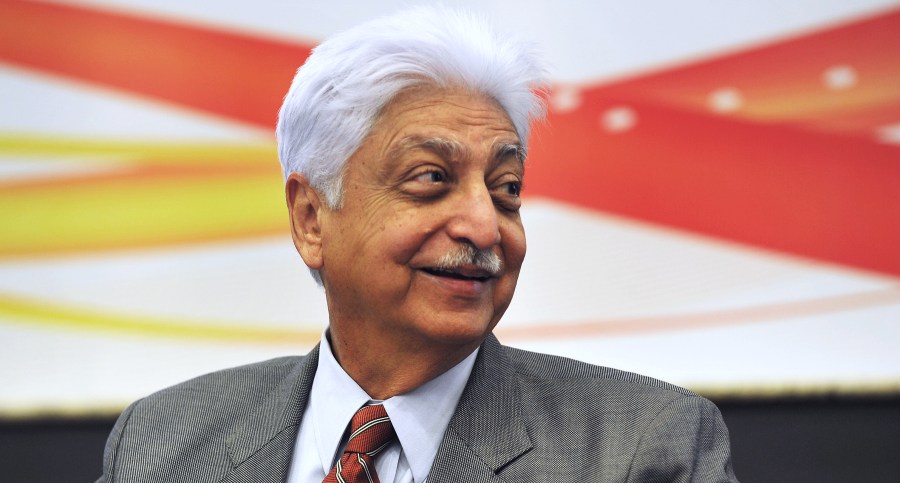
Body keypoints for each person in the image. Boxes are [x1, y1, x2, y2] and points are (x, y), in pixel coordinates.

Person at [98, 6, 738, 483]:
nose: (485, 228)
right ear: (311, 219)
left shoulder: (641, 447)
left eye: (506, 187)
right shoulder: (161, 443)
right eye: (431, 180)